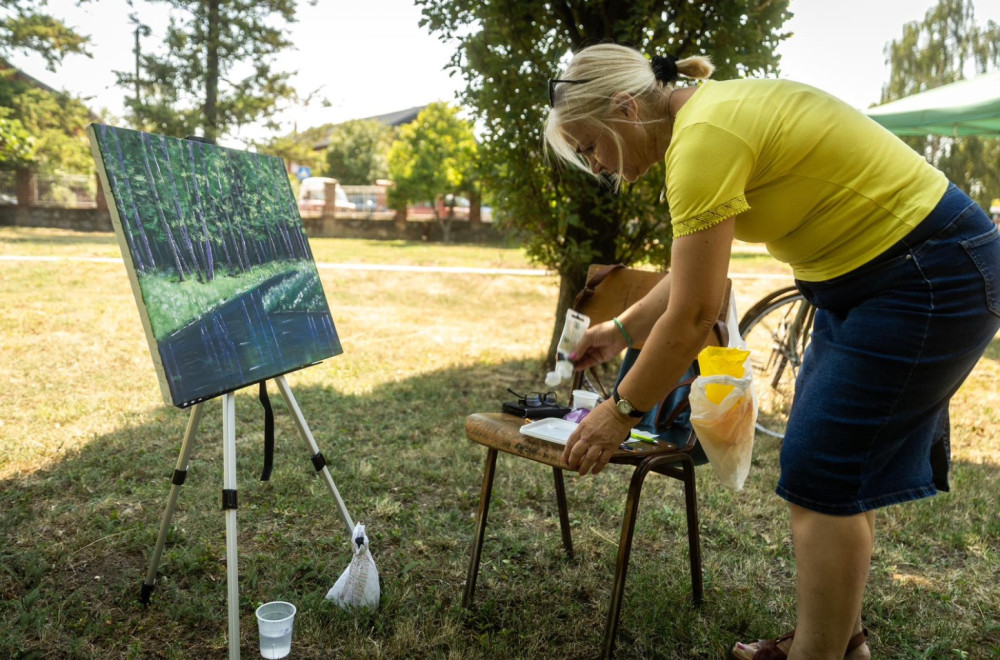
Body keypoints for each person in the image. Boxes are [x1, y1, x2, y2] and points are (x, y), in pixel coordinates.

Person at [544, 43, 1000, 660]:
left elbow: (695, 316)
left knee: (822, 474)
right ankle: (843, 643)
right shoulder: (705, 121)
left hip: (926, 274)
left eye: (592, 147)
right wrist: (620, 332)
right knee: (833, 477)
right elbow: (689, 281)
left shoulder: (703, 139)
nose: (598, 167)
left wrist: (619, 412)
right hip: (875, 282)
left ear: (624, 109)